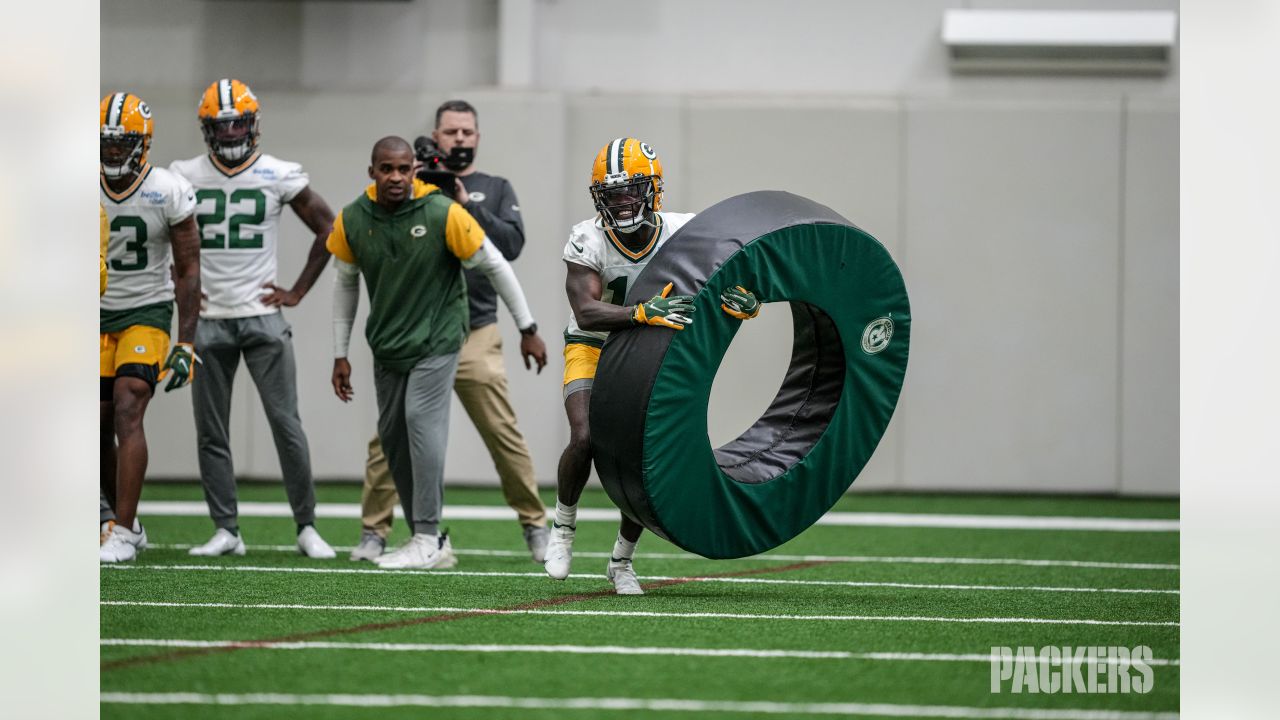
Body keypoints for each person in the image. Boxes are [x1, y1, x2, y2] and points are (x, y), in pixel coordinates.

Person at [543, 137, 761, 594]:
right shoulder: (587, 237)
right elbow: (585, 312)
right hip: (593, 342)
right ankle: (563, 528)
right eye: (611, 193)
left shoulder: (686, 230)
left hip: (645, 347)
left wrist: (742, 301)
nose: (622, 201)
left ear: (653, 189)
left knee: (638, 456)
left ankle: (621, 561)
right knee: (584, 436)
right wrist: (639, 312)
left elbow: (729, 277)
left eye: (631, 190)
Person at [329, 137, 547, 570]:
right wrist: (340, 352)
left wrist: (528, 327)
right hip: (389, 344)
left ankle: (436, 533)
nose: (395, 177)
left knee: (426, 422)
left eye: (403, 169)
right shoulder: (353, 218)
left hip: (443, 337)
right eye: (386, 169)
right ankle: (422, 537)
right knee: (391, 438)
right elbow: (346, 282)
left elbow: (497, 263)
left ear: (414, 171)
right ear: (371, 171)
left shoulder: (442, 212)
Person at [168, 78, 338, 559]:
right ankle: (226, 529)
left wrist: (298, 290)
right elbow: (161, 231)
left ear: (254, 124)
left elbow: (330, 227)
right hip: (207, 318)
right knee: (211, 430)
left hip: (262, 317)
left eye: (238, 123)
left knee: (287, 426)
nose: (229, 133)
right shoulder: (183, 174)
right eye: (221, 126)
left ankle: (306, 526)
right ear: (206, 129)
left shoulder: (278, 173)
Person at [100, 92, 201, 562]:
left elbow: (188, 269)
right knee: (96, 422)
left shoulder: (168, 188)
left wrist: (186, 341)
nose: (113, 152)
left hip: (146, 312)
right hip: (94, 312)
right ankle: (123, 521)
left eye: (122, 143)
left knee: (127, 406)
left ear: (142, 144)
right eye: (106, 143)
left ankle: (121, 531)